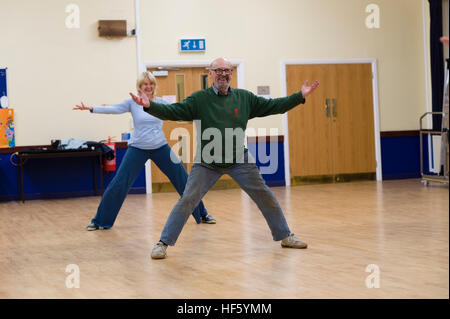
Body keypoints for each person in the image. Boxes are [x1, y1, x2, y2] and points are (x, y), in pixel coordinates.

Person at [131, 57, 319, 259]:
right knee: (187, 200)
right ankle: (163, 243)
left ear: (231, 74)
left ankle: (285, 235)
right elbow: (174, 111)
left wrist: (299, 96)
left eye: (227, 70)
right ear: (210, 74)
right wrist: (150, 106)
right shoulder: (199, 99)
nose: (223, 73)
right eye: (218, 70)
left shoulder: (244, 98)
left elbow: (274, 105)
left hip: (239, 159)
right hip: (206, 162)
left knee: (265, 195)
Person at [73, 71, 216, 231]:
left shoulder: (161, 103)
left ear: (154, 86)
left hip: (160, 146)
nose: (148, 86)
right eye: (145, 84)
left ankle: (202, 213)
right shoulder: (132, 103)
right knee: (119, 184)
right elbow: (114, 109)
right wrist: (92, 108)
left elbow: (180, 110)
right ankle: (100, 221)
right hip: (137, 148)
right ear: (140, 87)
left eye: (151, 84)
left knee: (184, 180)